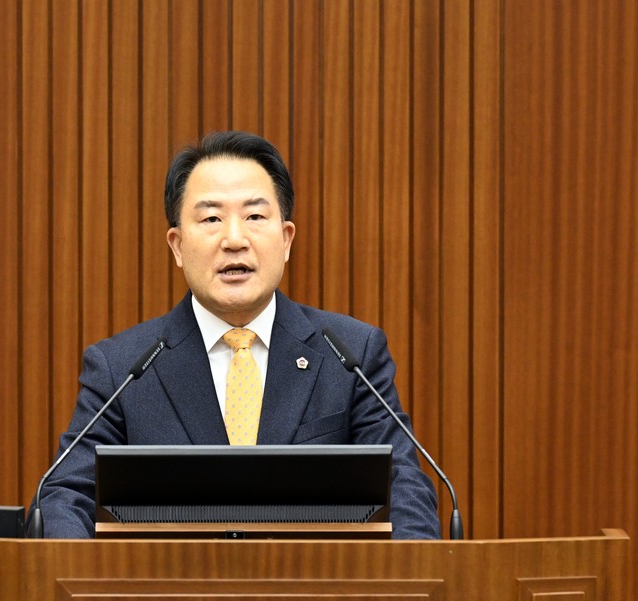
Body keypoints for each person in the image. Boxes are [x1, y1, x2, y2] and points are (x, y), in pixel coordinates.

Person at [29, 131, 440, 539]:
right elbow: (65, 495)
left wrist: (414, 570)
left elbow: (404, 487)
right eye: (211, 219)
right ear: (177, 245)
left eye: (255, 217)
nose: (234, 240)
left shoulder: (350, 354)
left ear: (286, 239)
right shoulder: (122, 368)